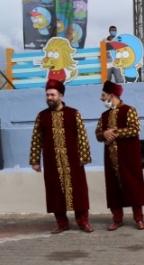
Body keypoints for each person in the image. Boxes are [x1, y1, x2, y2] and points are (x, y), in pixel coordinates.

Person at [29, 79, 94, 234]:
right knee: (55, 192)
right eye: (47, 95)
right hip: (51, 161)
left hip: (73, 160)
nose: (49, 98)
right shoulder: (42, 116)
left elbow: (82, 136)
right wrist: (35, 160)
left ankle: (83, 222)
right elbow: (36, 139)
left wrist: (84, 155)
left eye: (52, 95)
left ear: (61, 96)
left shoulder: (73, 113)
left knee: (79, 192)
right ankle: (62, 223)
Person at [95, 81, 144, 231]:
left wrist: (113, 133)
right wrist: (104, 134)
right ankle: (117, 218)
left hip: (128, 156)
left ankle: (139, 218)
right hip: (111, 157)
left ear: (111, 96)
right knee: (113, 187)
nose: (101, 98)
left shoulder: (129, 110)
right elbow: (98, 134)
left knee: (133, 185)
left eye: (103, 95)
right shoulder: (104, 115)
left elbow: (135, 129)